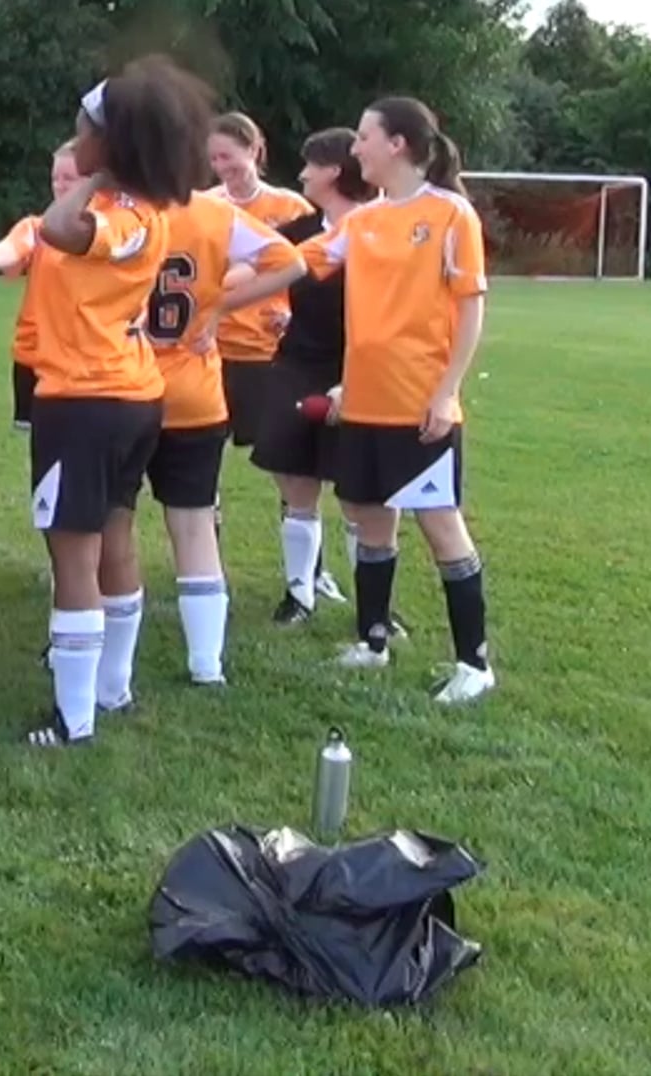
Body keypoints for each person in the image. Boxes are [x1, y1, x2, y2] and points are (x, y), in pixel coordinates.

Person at [211, 97, 495, 704]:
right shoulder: (361, 223)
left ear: (397, 144)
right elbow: (290, 265)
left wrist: (446, 392)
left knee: (441, 528)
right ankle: (373, 640)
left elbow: (471, 310)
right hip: (362, 404)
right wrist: (209, 305)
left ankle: (474, 663)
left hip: (419, 405)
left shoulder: (451, 215)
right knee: (370, 522)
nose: (355, 148)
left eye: (364, 137)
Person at [20, 58, 209, 748]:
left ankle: (75, 718)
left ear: (111, 142)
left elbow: (57, 227)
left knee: (75, 555)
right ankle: (112, 688)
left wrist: (97, 175)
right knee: (115, 539)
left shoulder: (124, 214)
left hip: (86, 398)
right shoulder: (136, 208)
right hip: (125, 394)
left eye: (84, 129)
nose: (74, 140)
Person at [138, 189, 301, 687]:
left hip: (125, 385)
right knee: (195, 526)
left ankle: (96, 661)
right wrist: (216, 307)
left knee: (108, 525)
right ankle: (206, 663)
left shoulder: (117, 210)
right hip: (194, 390)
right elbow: (290, 263)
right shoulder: (214, 214)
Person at [246, 128, 381, 626]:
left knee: (361, 493)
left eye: (310, 165)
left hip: (362, 367)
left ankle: (373, 605)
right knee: (296, 481)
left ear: (334, 171)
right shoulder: (298, 232)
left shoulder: (382, 229)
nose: (301, 174)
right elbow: (261, 273)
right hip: (299, 363)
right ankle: (299, 594)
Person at [206, 113, 315, 449]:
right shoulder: (207, 206)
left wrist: (295, 316)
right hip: (214, 342)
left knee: (271, 446)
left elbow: (311, 274)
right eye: (213, 158)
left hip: (266, 345)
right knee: (208, 441)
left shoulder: (291, 207)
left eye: (227, 156)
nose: (221, 166)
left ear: (253, 150)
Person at [0, 142, 81, 431]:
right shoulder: (38, 228)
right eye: (55, 178)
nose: (59, 185)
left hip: (80, 358)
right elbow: (14, 246)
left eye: (69, 178)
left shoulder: (105, 232)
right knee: (39, 440)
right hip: (34, 354)